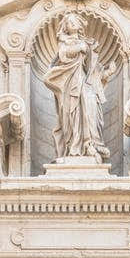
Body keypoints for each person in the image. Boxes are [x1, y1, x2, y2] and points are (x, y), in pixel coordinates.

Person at [43, 11, 117, 163]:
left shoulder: (88, 43)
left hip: (85, 82)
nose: (72, 24)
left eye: (74, 21)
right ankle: (74, 147)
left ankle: (92, 143)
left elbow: (94, 70)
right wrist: (78, 48)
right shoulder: (65, 42)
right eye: (69, 23)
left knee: (91, 108)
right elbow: (62, 56)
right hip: (70, 85)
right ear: (65, 28)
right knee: (72, 114)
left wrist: (107, 73)